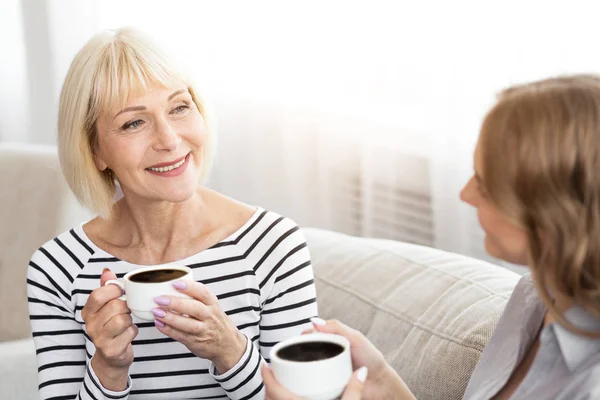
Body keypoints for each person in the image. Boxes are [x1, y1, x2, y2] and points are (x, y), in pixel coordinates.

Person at [263, 75, 600, 399]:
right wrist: (385, 384)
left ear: (554, 214)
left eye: (484, 186)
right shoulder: (534, 296)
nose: (466, 195)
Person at [27, 28, 318, 400]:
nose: (169, 139)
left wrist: (230, 352)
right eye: (134, 122)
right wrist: (108, 370)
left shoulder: (273, 245)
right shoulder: (57, 268)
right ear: (95, 152)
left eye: (179, 107)